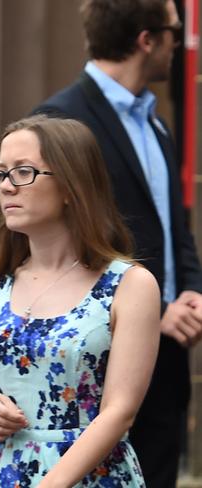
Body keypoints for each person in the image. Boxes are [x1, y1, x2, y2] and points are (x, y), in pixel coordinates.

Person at [32, 1, 202, 485]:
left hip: (167, 358)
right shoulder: (59, 120)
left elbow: (172, 227)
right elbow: (57, 247)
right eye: (173, 32)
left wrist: (190, 289)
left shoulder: (156, 121)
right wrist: (155, 305)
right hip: (97, 363)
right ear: (147, 39)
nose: (177, 43)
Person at [0, 114, 160, 486]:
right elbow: (5, 384)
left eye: (23, 172)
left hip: (90, 475)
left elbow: (120, 411)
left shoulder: (129, 285)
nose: (7, 187)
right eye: (1, 174)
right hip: (5, 471)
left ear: (72, 185)